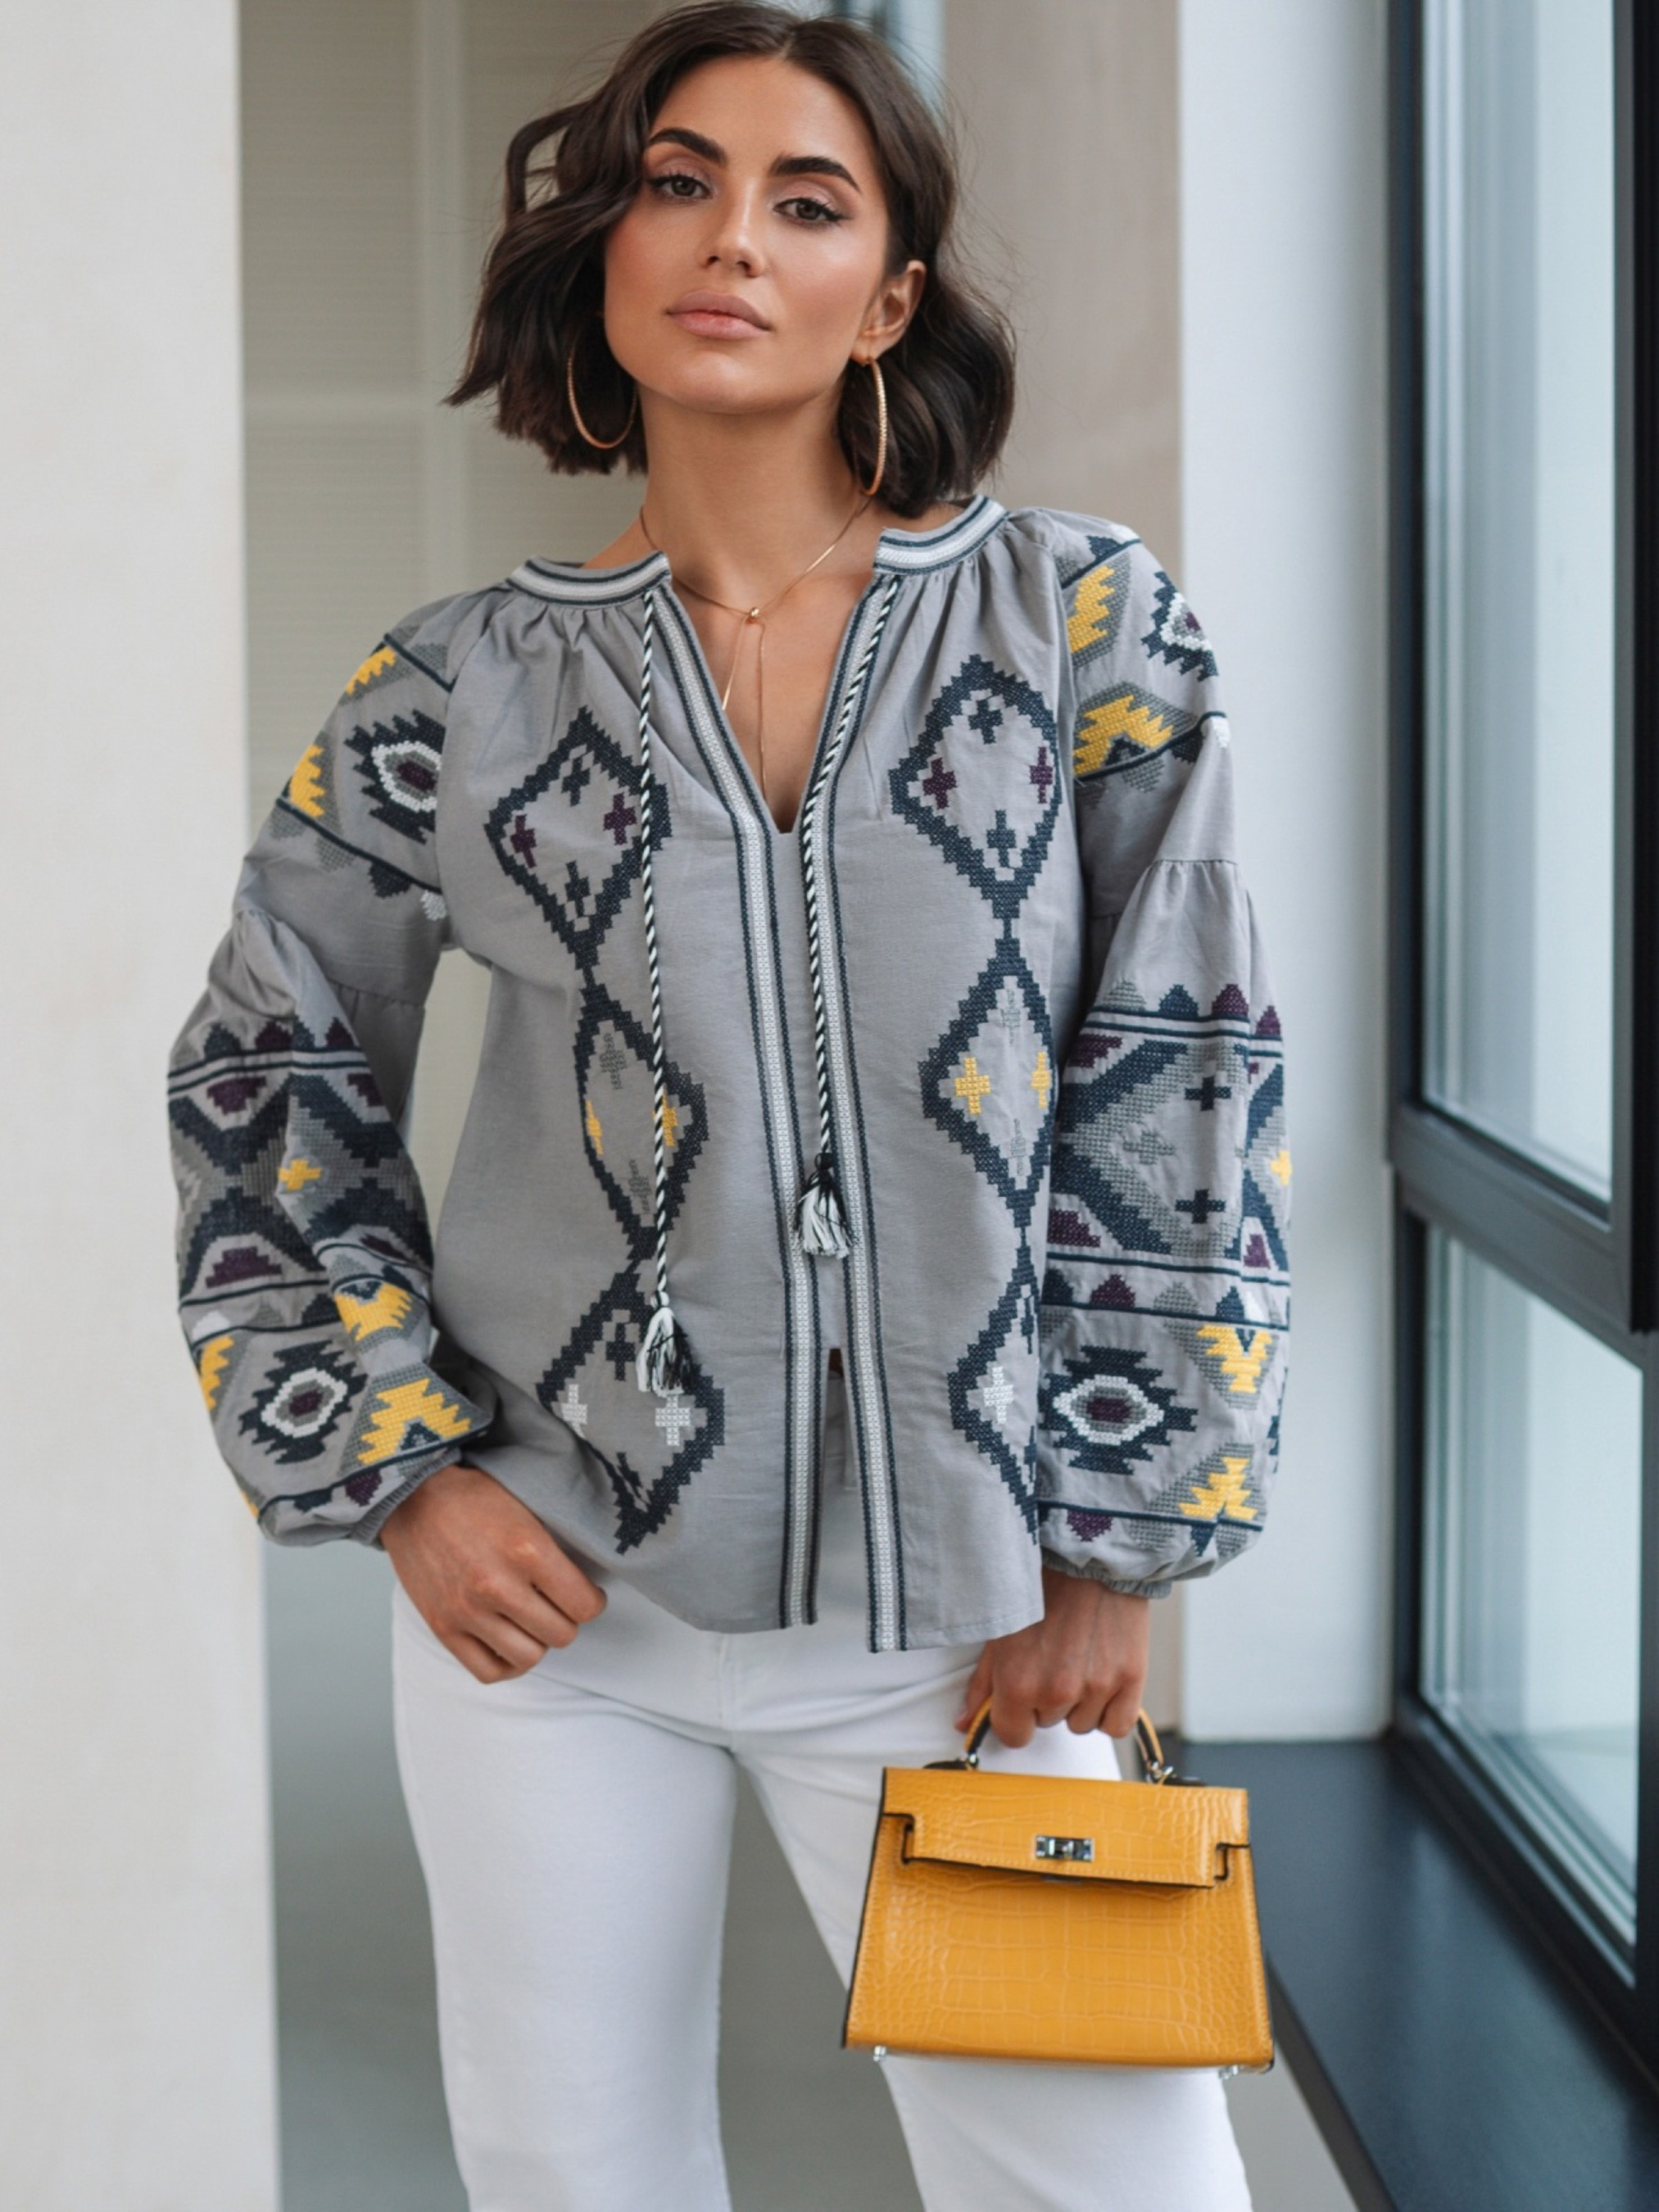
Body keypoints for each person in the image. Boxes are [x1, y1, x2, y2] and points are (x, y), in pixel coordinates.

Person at [168, 5, 1289, 2205]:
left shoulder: (1084, 627)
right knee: (571, 2176)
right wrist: (404, 1476)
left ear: (885, 299)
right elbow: (263, 1072)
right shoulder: (452, 691)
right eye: (678, 183)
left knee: (1116, 2185)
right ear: (605, 250)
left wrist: (1115, 1540)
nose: (731, 239)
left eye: (806, 201)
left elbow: (1190, 1067)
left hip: (969, 1628)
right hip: (560, 1625)